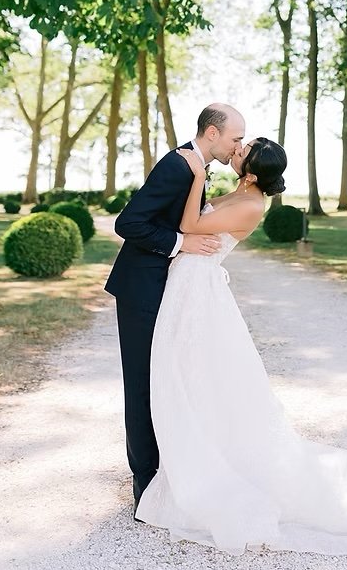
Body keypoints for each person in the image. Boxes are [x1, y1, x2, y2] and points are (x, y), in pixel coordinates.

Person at [135, 138, 347, 555]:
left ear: (249, 172)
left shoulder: (251, 204)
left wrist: (195, 175)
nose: (238, 147)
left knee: (195, 376)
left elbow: (190, 225)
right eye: (241, 142)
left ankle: (206, 470)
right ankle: (183, 462)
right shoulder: (241, 191)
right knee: (185, 376)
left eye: (244, 150)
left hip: (198, 289)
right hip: (187, 285)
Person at [104, 103, 246, 514]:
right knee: (142, 383)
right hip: (141, 290)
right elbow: (128, 223)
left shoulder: (196, 167)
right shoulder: (178, 165)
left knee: (167, 377)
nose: (237, 146)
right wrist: (181, 244)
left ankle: (166, 472)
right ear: (212, 133)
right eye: (235, 138)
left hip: (166, 290)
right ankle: (144, 484)